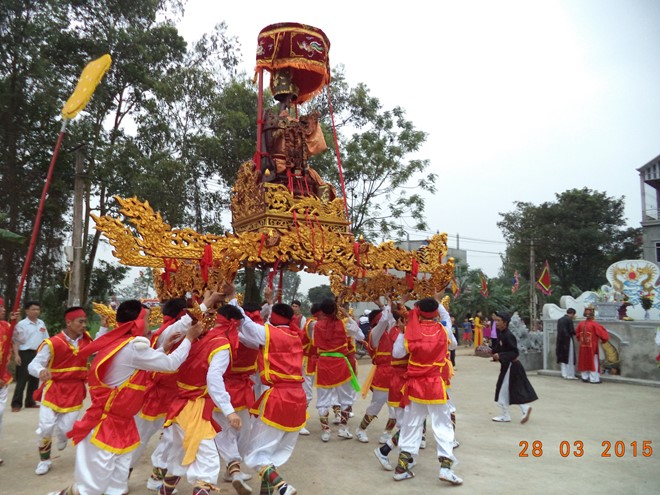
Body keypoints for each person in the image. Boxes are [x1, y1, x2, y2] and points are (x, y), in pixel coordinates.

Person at [47, 299, 203, 495]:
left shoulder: (122, 343)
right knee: (89, 490)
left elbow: (135, 366)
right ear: (136, 322)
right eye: (146, 319)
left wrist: (162, 349)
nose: (148, 324)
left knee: (116, 488)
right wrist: (188, 339)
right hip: (106, 426)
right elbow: (170, 364)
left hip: (122, 424)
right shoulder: (132, 347)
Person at [228, 285, 306, 495]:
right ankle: (268, 490)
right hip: (299, 399)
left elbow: (245, 323)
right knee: (274, 451)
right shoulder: (295, 337)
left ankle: (282, 487)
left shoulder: (268, 334)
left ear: (274, 317)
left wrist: (232, 299)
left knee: (256, 454)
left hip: (279, 397)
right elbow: (249, 335)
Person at [160, 303, 245, 495]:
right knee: (207, 463)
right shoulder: (220, 344)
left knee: (179, 455)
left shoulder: (199, 337)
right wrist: (229, 411)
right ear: (236, 325)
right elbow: (213, 378)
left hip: (179, 405)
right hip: (194, 408)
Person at [390, 296, 462, 485]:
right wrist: (442, 313)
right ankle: (446, 468)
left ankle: (401, 468)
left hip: (415, 386)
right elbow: (454, 345)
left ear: (418, 311)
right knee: (442, 425)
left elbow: (397, 354)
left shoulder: (411, 331)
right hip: (435, 385)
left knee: (411, 424)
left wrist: (402, 331)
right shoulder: (443, 330)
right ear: (436, 312)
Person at [28, 307, 93, 476]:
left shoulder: (87, 341)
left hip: (75, 390)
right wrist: (40, 371)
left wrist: (105, 327)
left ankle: (63, 435)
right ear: (68, 322)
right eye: (81, 321)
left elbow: (102, 346)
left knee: (67, 429)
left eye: (85, 321)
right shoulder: (52, 343)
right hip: (54, 389)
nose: (84, 325)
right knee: (45, 427)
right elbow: (33, 364)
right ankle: (44, 460)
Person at [312, 298, 362, 441]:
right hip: (340, 363)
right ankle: (343, 428)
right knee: (346, 398)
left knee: (323, 398)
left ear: (322, 311)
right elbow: (358, 332)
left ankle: (326, 431)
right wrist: (346, 314)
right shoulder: (344, 324)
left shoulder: (316, 325)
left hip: (323, 364)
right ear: (336, 310)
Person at [355, 298, 397, 444]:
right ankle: (361, 430)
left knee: (395, 407)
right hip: (383, 373)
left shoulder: (390, 331)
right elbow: (385, 319)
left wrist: (384, 305)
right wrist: (387, 305)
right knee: (376, 404)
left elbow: (390, 319)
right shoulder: (375, 334)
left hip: (395, 373)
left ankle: (387, 433)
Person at [490, 311, 538, 424]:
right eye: (495, 320)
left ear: (505, 322)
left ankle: (508, 414)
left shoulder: (508, 335)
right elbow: (498, 348)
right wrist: (490, 351)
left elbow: (514, 352)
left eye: (498, 320)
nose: (496, 323)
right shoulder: (501, 333)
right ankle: (521, 410)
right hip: (508, 366)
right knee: (511, 389)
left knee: (503, 389)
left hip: (512, 366)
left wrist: (500, 356)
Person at [11, 301, 48, 411]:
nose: (36, 311)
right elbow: (16, 341)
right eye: (33, 309)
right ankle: (16, 403)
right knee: (22, 379)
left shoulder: (41, 323)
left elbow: (46, 339)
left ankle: (30, 401)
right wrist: (16, 355)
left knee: (35, 378)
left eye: (38, 309)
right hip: (25, 353)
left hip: (38, 353)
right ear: (27, 311)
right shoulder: (21, 324)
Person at [0, 297, 19, 466]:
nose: (3, 310)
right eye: (0, 308)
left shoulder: (5, 326)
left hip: (2, 378)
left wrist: (14, 322)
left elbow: (14, 338)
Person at [575, 306, 610, 384]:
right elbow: (604, 335)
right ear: (593, 315)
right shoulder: (595, 325)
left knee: (583, 361)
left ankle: (584, 377)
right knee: (593, 362)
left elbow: (577, 335)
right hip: (592, 348)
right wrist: (604, 340)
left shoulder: (580, 324)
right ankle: (594, 379)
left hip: (583, 346)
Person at [556, 308, 577, 380]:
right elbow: (572, 331)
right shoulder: (569, 320)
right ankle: (570, 374)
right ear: (572, 314)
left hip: (560, 340)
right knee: (569, 357)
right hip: (567, 340)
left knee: (562, 357)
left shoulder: (560, 319)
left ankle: (564, 374)